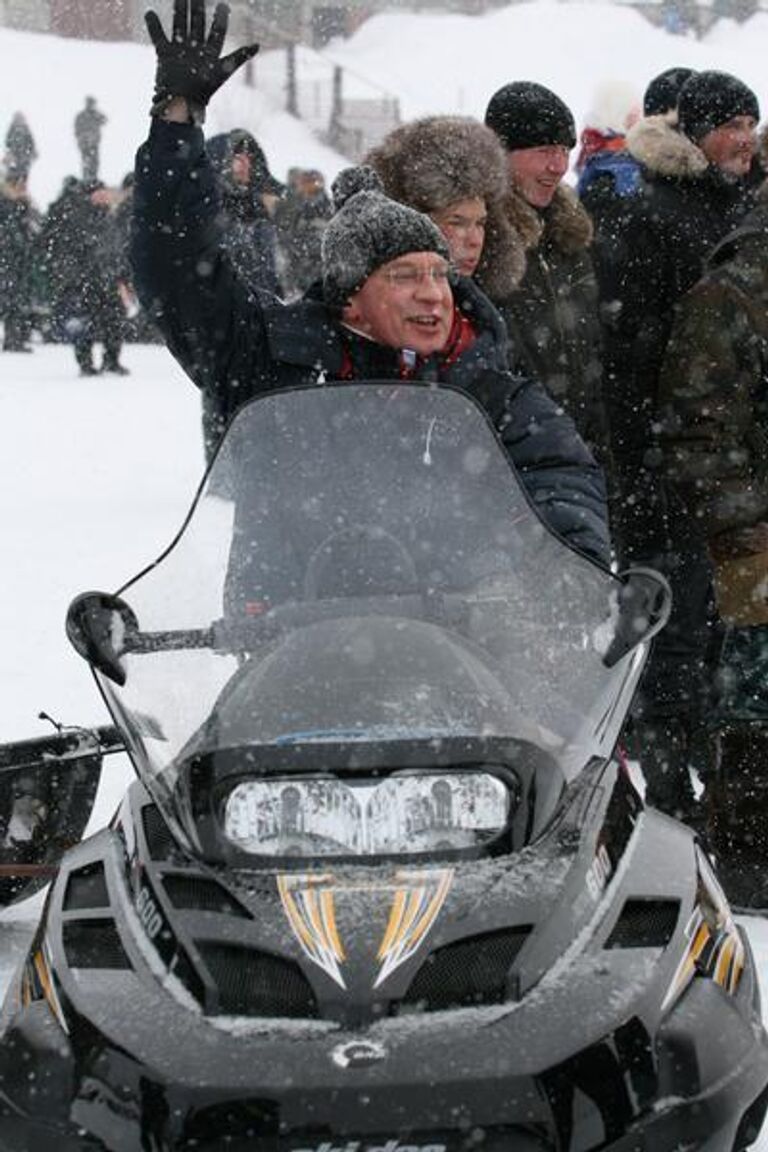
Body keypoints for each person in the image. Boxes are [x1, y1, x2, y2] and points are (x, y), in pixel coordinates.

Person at [131, 0, 610, 582]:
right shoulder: (275, 356)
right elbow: (177, 270)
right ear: (351, 295)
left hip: (457, 643)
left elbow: (560, 468)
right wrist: (177, 126)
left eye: (440, 276)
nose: (434, 295)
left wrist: (568, 566)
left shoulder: (482, 372)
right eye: (406, 277)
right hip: (292, 640)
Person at [600, 70, 760, 820]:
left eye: (750, 123)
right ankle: (665, 793)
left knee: (721, 641)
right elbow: (630, 358)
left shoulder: (738, 211)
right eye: (730, 124)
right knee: (673, 638)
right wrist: (641, 467)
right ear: (694, 134)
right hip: (667, 469)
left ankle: (715, 790)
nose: (743, 138)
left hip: (724, 470)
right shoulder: (654, 219)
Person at [657, 168, 768, 905]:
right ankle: (748, 850)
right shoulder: (731, 295)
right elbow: (695, 429)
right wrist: (748, 531)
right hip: (756, 543)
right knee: (754, 703)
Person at [483, 82, 609, 471]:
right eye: (543, 151)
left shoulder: (570, 240)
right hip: (505, 462)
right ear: (501, 155)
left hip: (575, 455)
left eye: (564, 151)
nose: (558, 166)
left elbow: (590, 359)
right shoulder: (479, 240)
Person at [365, 115, 524, 299]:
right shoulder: (371, 315)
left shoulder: (483, 314)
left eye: (480, 223)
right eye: (456, 222)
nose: (475, 241)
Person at [203, 128, 284, 460]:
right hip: (223, 316)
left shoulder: (261, 206)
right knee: (223, 393)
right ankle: (224, 465)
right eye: (238, 156)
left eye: (249, 156)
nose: (245, 163)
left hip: (265, 313)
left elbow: (270, 263)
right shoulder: (212, 207)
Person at [39, 178, 128, 375]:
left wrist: (121, 277)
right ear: (90, 195)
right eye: (100, 192)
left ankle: (112, 360)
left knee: (115, 322)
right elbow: (68, 252)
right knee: (84, 324)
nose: (105, 196)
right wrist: (75, 279)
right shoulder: (77, 219)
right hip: (86, 281)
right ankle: (86, 363)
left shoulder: (109, 219)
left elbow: (116, 251)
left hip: (109, 280)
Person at [274, 168, 333, 300]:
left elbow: (319, 243)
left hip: (313, 275)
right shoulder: (297, 205)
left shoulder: (326, 209)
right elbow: (284, 230)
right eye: (304, 184)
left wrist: (294, 243)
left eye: (310, 184)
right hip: (294, 273)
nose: (305, 188)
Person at [0, 168, 39, 352]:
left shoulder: (20, 204)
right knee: (11, 300)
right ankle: (13, 338)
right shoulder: (5, 205)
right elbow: (11, 233)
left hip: (17, 260)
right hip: (8, 259)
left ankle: (15, 337)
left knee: (17, 299)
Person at [74, 96, 107, 183]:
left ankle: (93, 179)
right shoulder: (81, 116)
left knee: (94, 162)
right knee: (87, 162)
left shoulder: (95, 115)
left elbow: (104, 120)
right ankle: (87, 180)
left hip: (93, 143)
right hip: (85, 144)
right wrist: (82, 139)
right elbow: (77, 130)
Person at [4, 112, 37, 185]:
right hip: (15, 157)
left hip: (23, 157)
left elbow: (31, 142)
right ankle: (11, 184)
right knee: (13, 173)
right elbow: (7, 142)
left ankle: (20, 185)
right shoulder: (12, 128)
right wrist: (9, 153)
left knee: (23, 173)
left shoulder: (26, 129)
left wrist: (33, 152)